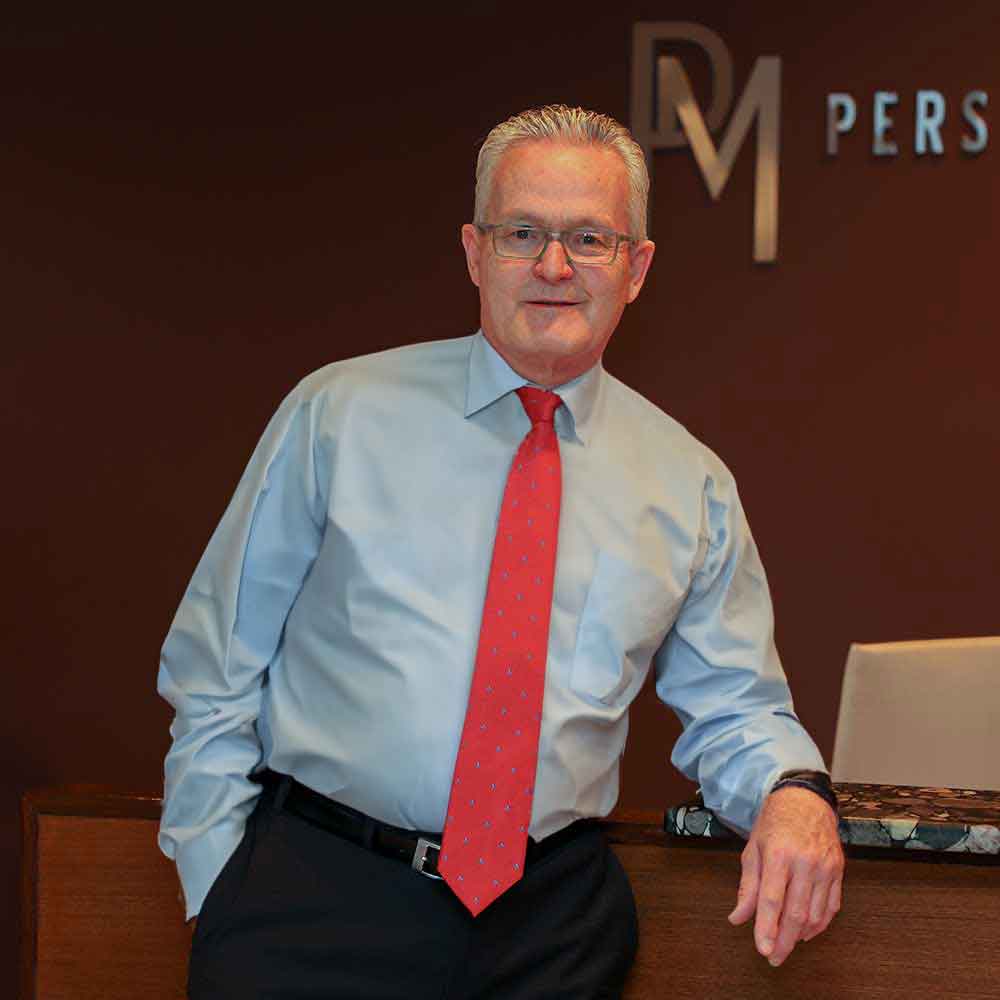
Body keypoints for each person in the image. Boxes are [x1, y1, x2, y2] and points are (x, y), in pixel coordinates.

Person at [158, 104, 844, 999]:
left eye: (590, 238)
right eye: (524, 232)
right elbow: (215, 668)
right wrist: (222, 886)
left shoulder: (690, 483)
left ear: (635, 268)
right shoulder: (338, 415)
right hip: (314, 904)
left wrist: (795, 793)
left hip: (551, 931)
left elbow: (737, 708)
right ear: (476, 252)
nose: (555, 266)